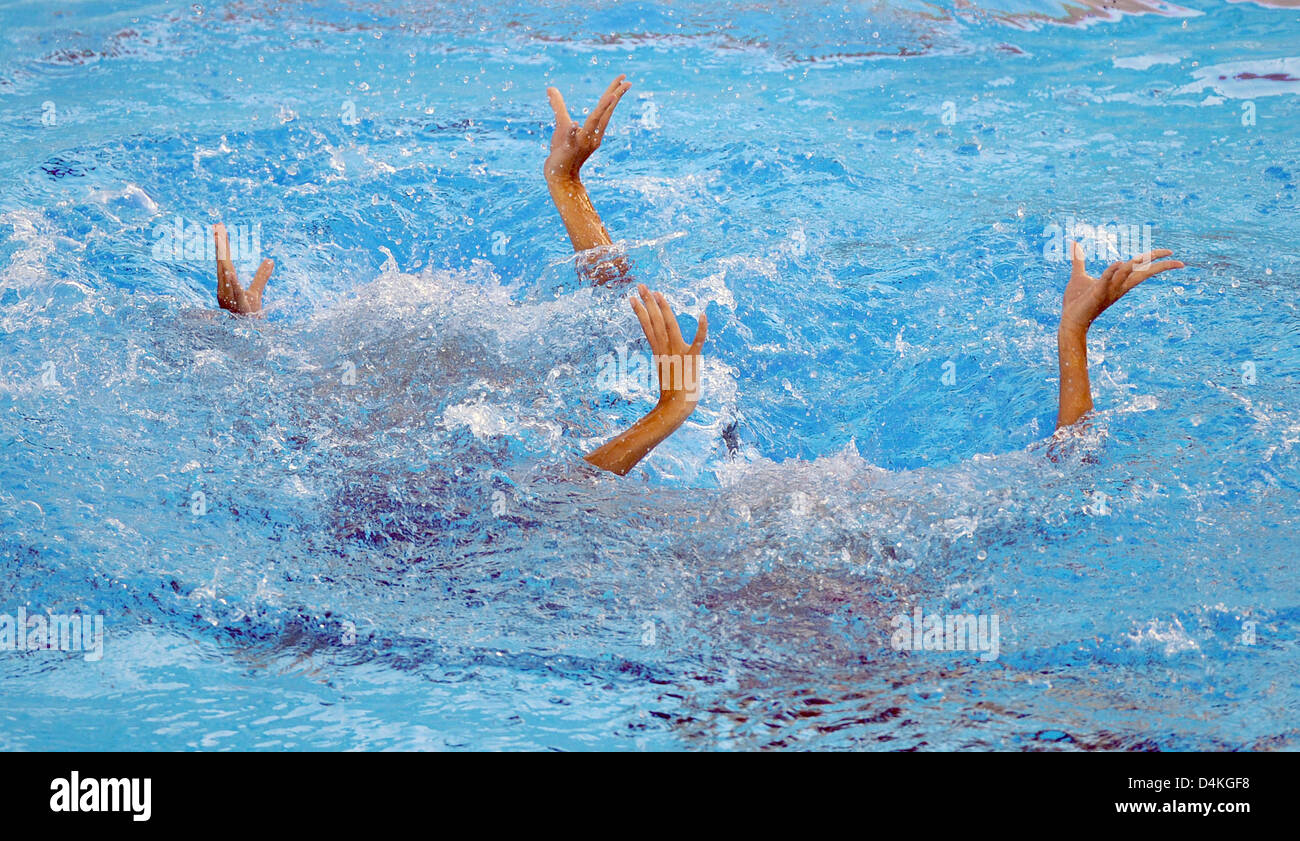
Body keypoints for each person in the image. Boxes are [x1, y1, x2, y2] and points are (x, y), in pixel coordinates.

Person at [207, 73, 1184, 473]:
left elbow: (1052, 483)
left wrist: (1071, 337)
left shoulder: (818, 518)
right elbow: (1055, 482)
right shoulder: (817, 524)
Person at [209, 74, 707, 477]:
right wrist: (669, 411)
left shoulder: (336, 439)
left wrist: (246, 336)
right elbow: (564, 500)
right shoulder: (407, 467)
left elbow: (614, 306)